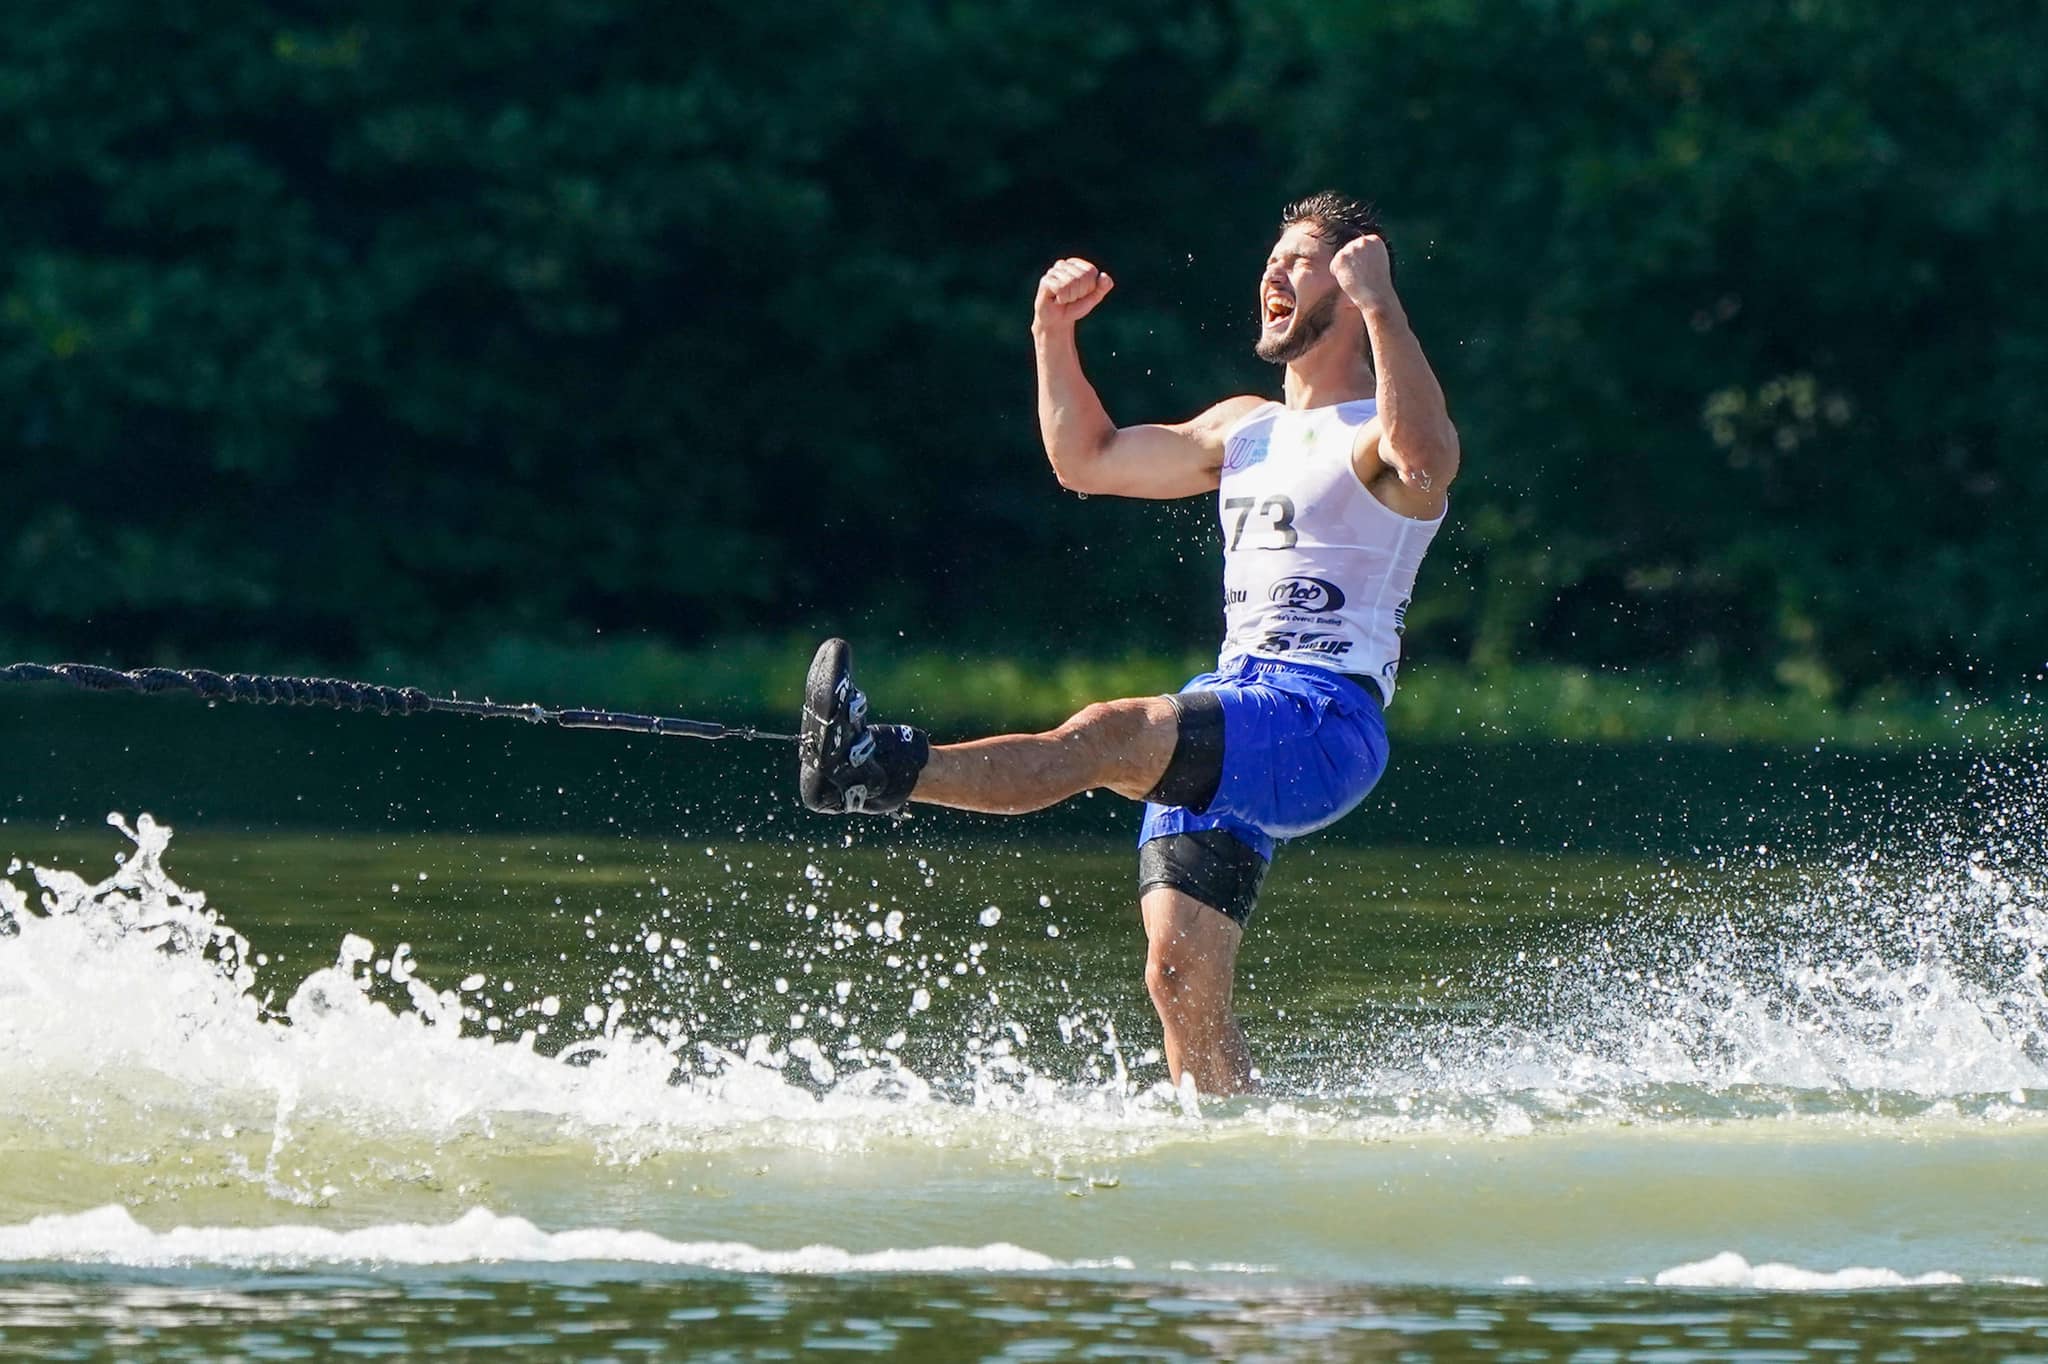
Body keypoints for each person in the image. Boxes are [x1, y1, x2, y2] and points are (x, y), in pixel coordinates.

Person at [798, 192, 1460, 1096]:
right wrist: (1049, 332)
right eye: (1270, 256)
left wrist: (1384, 303)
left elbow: (1428, 461)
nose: (1272, 271)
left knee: (1110, 734)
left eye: (1299, 261)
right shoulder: (1243, 430)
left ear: (1349, 285)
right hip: (1234, 699)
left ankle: (875, 766)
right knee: (1178, 976)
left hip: (1318, 719)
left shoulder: (1377, 435)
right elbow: (1089, 460)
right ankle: (1230, 1158)